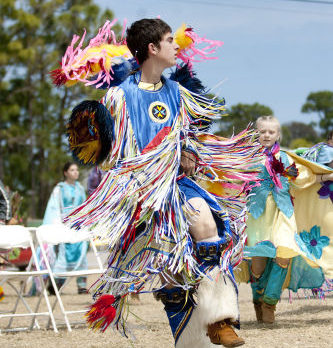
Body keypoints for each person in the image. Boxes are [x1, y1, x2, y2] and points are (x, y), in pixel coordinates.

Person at [54, 19, 263, 347]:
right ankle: (193, 340)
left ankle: (220, 318)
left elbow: (188, 134)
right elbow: (113, 155)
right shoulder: (119, 97)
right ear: (152, 49)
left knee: (208, 225)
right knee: (171, 274)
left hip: (179, 185)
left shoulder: (178, 92)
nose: (176, 45)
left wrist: (189, 152)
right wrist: (149, 164)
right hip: (144, 195)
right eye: (169, 40)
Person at [241, 115, 333, 325]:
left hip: (284, 214)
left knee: (284, 254)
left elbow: (302, 178)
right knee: (258, 266)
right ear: (256, 133)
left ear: (278, 134)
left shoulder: (285, 159)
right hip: (257, 216)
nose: (266, 135)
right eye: (262, 131)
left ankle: (270, 303)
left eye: (271, 132)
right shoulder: (246, 158)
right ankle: (258, 299)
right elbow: (233, 179)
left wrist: (326, 177)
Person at [43, 162, 87, 294]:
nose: (76, 172)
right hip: (62, 225)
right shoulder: (59, 189)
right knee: (62, 255)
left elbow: (84, 206)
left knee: (81, 252)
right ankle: (56, 285)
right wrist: (57, 223)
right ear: (65, 173)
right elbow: (53, 207)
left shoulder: (80, 188)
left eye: (77, 170)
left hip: (77, 226)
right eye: (72, 170)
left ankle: (81, 285)